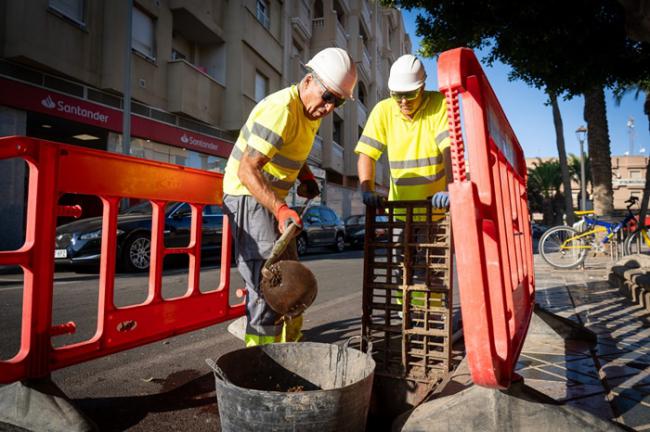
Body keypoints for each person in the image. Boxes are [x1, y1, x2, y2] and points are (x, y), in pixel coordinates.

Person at [222, 47, 357, 347]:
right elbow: (247, 169)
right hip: (247, 194)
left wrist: (305, 176)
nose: (329, 107)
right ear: (309, 81)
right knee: (268, 279)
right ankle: (261, 357)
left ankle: (291, 346)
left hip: (269, 198)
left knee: (290, 276)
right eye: (328, 97)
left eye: (337, 102)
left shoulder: (309, 113)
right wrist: (281, 208)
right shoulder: (281, 109)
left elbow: (288, 148)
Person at [355, 54, 452, 311]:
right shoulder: (384, 110)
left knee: (435, 266)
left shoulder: (438, 104)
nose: (402, 102)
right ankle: (406, 314)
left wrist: (449, 188)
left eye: (409, 95)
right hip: (402, 210)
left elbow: (449, 150)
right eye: (397, 95)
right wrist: (367, 189)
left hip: (437, 209)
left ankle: (431, 316)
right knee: (403, 266)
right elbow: (367, 153)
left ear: (423, 87)